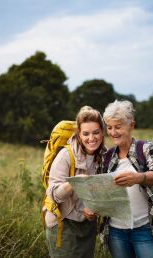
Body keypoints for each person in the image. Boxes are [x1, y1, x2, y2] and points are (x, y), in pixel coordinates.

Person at [102, 100, 153, 258]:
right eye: (109, 127)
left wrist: (139, 177)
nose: (113, 132)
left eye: (118, 127)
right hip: (115, 231)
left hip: (145, 230)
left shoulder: (146, 148)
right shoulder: (107, 156)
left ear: (131, 125)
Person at [45, 106, 105, 258]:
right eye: (86, 133)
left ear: (102, 132)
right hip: (64, 224)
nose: (91, 138)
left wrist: (93, 209)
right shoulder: (66, 156)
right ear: (79, 133)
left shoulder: (105, 155)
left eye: (96, 132)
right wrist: (73, 183)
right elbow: (53, 195)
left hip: (87, 226)